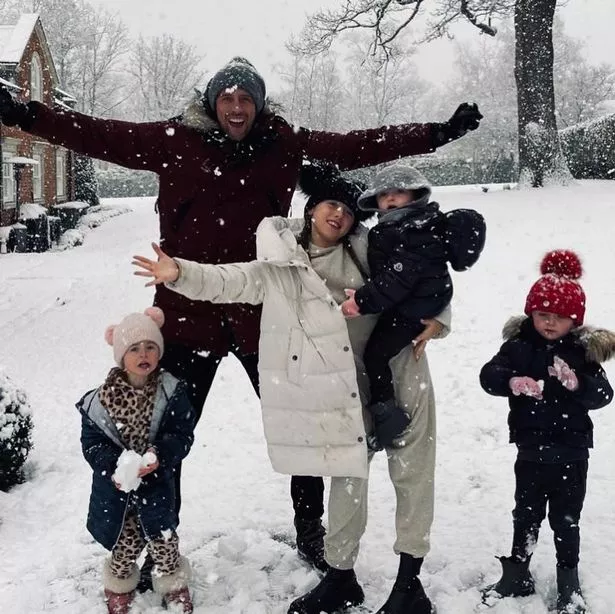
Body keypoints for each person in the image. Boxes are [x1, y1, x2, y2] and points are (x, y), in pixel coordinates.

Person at [0, 55, 481, 578]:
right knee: (159, 439)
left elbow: (356, 144)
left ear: (258, 104)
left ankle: (310, 532)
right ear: (212, 103)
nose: (236, 107)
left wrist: (438, 133)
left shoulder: (282, 143)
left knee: (310, 428)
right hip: (188, 315)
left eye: (246, 98)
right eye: (227, 98)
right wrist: (27, 114)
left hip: (266, 318)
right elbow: (98, 134)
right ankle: (150, 543)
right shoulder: (174, 141)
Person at [132, 163, 450, 614]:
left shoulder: (368, 247)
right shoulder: (280, 265)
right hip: (347, 386)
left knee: (413, 474)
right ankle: (341, 578)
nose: (339, 215)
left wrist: (441, 318)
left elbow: (426, 267)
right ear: (312, 208)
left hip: (403, 365)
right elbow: (230, 280)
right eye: (330, 204)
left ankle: (409, 586)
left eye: (347, 209)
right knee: (348, 478)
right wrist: (178, 273)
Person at [479, 250, 614, 614]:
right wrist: (512, 380)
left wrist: (577, 384)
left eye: (559, 317)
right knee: (525, 513)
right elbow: (488, 376)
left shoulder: (582, 353)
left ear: (575, 320)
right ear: (531, 314)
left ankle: (568, 580)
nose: (549, 323)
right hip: (531, 451)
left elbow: (604, 394)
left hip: (572, 452)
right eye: (542, 315)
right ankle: (517, 571)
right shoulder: (518, 347)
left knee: (566, 519)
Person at [341, 163, 485, 449]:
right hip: (415, 300)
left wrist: (362, 301)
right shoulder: (401, 227)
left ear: (415, 195)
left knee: (376, 355)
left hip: (414, 308)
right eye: (384, 195)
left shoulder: (414, 230)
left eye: (399, 192)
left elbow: (398, 278)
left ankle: (386, 415)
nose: (391, 199)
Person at [76, 307, 196, 613]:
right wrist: (113, 466)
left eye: (151, 347)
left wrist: (160, 453)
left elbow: (181, 433)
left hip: (156, 485)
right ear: (120, 355)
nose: (144, 354)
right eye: (134, 348)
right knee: (125, 542)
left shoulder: (170, 391)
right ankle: (118, 583)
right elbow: (92, 443)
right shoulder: (101, 400)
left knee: (164, 540)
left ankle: (174, 584)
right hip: (117, 490)